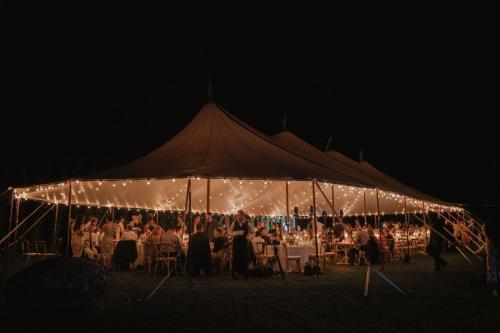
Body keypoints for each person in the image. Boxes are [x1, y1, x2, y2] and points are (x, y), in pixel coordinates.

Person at [230, 210, 251, 279]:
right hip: (236, 243)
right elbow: (230, 232)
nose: (238, 217)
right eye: (237, 215)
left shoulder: (247, 224)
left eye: (239, 215)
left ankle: (246, 275)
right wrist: (236, 233)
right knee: (235, 259)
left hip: (244, 243)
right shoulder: (234, 223)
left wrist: (249, 237)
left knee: (244, 258)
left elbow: (253, 232)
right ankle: (233, 275)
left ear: (243, 216)